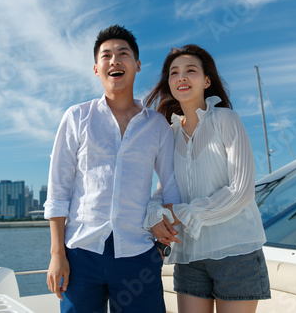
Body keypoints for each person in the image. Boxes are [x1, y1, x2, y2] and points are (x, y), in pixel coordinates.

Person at [44, 24, 181, 313]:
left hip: (139, 253)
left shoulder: (156, 125)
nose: (114, 60)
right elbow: (59, 189)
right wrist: (58, 254)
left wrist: (161, 238)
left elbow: (172, 185)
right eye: (106, 56)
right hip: (80, 253)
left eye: (123, 53)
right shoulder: (76, 117)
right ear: (96, 68)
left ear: (137, 65)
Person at [144, 44, 271, 313]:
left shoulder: (227, 119)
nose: (182, 77)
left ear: (207, 80)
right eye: (174, 73)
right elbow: (163, 190)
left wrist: (179, 213)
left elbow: (241, 191)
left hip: (236, 252)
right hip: (189, 256)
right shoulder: (169, 134)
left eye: (191, 70)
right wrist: (156, 217)